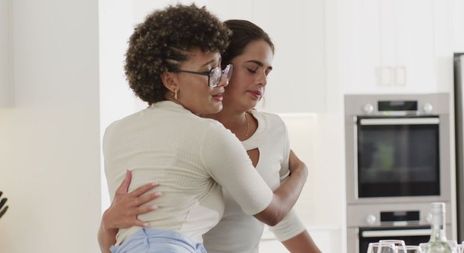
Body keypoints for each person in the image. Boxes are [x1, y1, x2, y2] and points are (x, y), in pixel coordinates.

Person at [100, 18, 321, 253]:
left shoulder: (272, 130)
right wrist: (106, 222)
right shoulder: (190, 136)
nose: (262, 80)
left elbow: (282, 216)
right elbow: (131, 229)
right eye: (252, 69)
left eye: (267, 71)